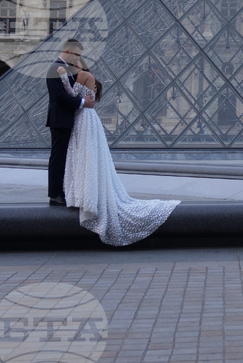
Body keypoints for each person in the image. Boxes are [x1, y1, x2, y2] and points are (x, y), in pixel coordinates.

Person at [56, 60, 179, 246]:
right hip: (90, 118)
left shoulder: (81, 75)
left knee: (85, 158)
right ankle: (88, 194)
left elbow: (72, 94)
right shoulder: (90, 77)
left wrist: (63, 77)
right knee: (91, 158)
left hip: (83, 118)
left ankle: (85, 197)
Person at [46, 39, 94, 207]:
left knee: (64, 157)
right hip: (60, 119)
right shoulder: (55, 68)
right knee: (58, 157)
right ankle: (55, 194)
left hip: (66, 118)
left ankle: (62, 191)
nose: (78, 59)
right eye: (77, 55)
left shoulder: (67, 69)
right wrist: (82, 103)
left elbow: (71, 92)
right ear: (68, 51)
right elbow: (60, 97)